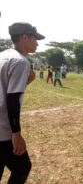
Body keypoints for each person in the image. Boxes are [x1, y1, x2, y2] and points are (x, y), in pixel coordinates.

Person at [0, 22, 44, 184]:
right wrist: (16, 134)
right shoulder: (20, 61)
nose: (37, 43)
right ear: (24, 37)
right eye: (35, 39)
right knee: (22, 168)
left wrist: (26, 82)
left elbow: (4, 90)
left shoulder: (3, 55)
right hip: (3, 130)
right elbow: (12, 99)